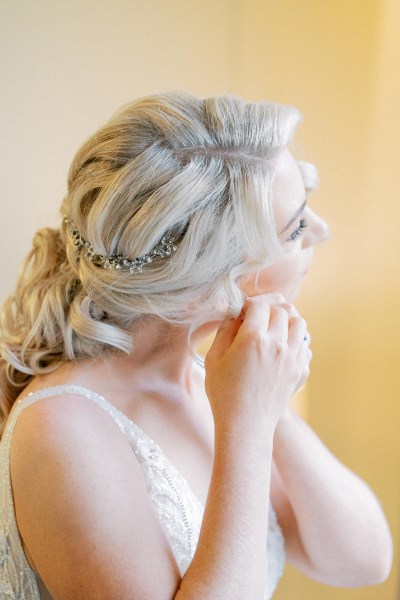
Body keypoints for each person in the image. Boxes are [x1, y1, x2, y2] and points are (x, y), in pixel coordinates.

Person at [0, 92, 393, 600]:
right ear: (205, 284)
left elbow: (365, 561)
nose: (321, 230)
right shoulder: (64, 429)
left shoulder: (223, 372)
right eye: (295, 227)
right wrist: (248, 425)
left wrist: (271, 410)